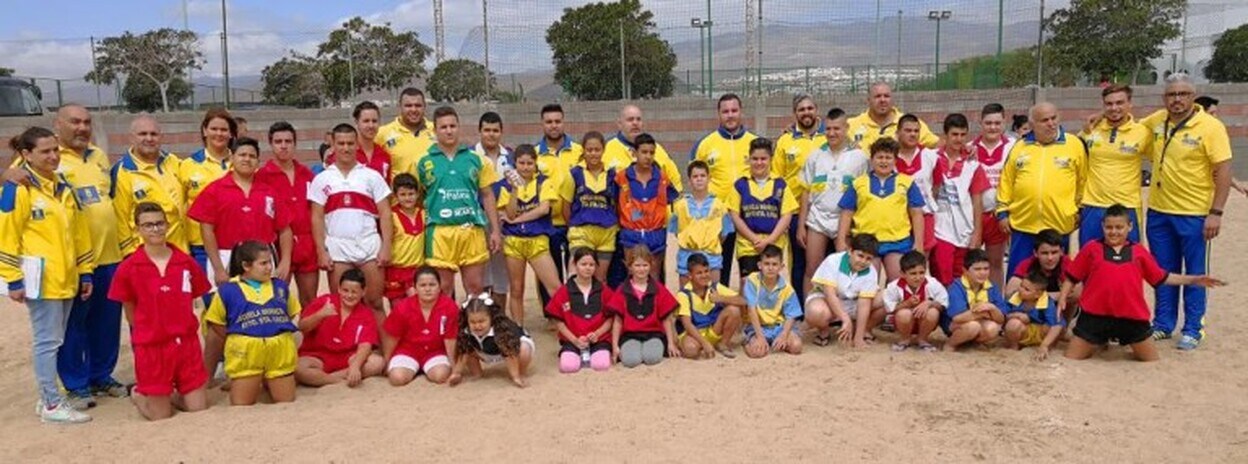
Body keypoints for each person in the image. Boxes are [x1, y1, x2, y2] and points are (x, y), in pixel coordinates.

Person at [2, 127, 96, 423]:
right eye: (45, 151)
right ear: (26, 155)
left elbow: (79, 234)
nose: (53, 156)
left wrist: (86, 272)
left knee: (55, 339)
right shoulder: (17, 189)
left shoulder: (62, 187)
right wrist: (12, 278)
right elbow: (6, 236)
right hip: (39, 281)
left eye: (55, 150)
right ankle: (52, 403)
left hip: (66, 278)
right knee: (47, 341)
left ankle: (49, 399)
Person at [1138, 74, 1233, 351]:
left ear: (1193, 96)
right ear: (1164, 98)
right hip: (1159, 212)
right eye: (1171, 94)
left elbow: (1224, 169)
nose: (1177, 99)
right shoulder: (1156, 121)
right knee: (1163, 272)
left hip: (1194, 214)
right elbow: (1128, 127)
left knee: (1195, 273)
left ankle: (1193, 328)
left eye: (1183, 94)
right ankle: (1164, 324)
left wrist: (1216, 212)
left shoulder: (1211, 127)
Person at [1062, 204, 1224, 361]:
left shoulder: (1139, 251)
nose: (1114, 232)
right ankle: (1099, 341)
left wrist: (1194, 279)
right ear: (1103, 226)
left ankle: (1113, 340)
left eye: (1119, 227)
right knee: (1072, 357)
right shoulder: (1091, 248)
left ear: (1129, 227)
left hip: (1132, 317)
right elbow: (1072, 276)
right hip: (1094, 316)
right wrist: (1062, 298)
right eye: (1109, 227)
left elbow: (1162, 277)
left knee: (1150, 359)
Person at [108, 202, 210, 420]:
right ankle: (138, 393)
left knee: (198, 407)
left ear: (167, 225)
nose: (155, 229)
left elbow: (195, 297)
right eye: (148, 225)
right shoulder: (128, 268)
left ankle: (173, 394)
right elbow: (130, 312)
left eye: (159, 223)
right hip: (152, 348)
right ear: (138, 229)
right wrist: (147, 335)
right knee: (160, 416)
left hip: (186, 345)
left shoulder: (185, 262)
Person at [413, 106, 503, 296]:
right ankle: (448, 326)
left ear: (459, 127)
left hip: (471, 229)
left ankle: (471, 326)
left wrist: (495, 230)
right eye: (443, 127)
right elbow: (417, 198)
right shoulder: (422, 162)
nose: (448, 130)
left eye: (453, 126)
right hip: (440, 231)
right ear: (435, 130)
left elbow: (487, 195)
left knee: (475, 287)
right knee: (443, 289)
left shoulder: (476, 159)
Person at [309, 124, 393, 315]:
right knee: (341, 304)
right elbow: (316, 217)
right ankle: (346, 345)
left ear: (357, 145)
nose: (346, 148)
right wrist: (321, 251)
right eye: (341, 143)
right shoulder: (322, 179)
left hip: (369, 245)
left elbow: (386, 213)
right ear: (333, 146)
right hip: (338, 247)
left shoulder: (372, 176)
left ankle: (380, 346)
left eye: (350, 143)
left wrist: (386, 245)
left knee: (375, 302)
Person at [204, 241, 301, 406]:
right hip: (246, 353)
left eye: (270, 262)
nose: (269, 267)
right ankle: (245, 380)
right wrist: (234, 338)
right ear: (246, 266)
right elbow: (216, 322)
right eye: (263, 263)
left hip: (279, 351)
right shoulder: (228, 290)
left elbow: (291, 313)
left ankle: (266, 380)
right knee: (242, 404)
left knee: (285, 401)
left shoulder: (280, 287)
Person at [188, 137, 294, 287]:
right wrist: (218, 268)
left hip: (263, 258)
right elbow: (206, 230)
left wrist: (285, 261)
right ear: (232, 157)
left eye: (252, 156)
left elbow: (285, 229)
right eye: (242, 155)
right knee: (228, 307)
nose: (247, 159)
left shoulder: (269, 192)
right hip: (226, 256)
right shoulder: (214, 190)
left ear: (258, 161)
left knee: (264, 307)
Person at [995, 102, 1086, 275]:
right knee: (1019, 280)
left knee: (1057, 281)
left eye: (1054, 118)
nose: (1051, 123)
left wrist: (1080, 210)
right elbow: (1006, 181)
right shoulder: (1019, 147)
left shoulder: (1074, 144)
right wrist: (1002, 212)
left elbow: (1084, 181)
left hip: (1059, 226)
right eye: (1044, 120)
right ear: (1031, 124)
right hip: (1024, 226)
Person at [797, 108, 869, 296]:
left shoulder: (860, 157)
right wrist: (801, 225)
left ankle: (841, 316)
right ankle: (810, 315)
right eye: (828, 129)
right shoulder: (815, 156)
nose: (831, 133)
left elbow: (863, 192)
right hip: (818, 219)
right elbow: (806, 191)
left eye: (836, 129)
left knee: (845, 270)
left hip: (844, 222)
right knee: (812, 269)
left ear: (846, 128)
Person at [691, 94, 758, 285]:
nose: (730, 115)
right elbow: (695, 179)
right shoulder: (704, 144)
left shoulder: (754, 142)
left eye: (734, 110)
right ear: (718, 114)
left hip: (749, 215)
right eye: (725, 111)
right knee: (719, 268)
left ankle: (752, 312)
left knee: (751, 271)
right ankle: (720, 311)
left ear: (741, 112)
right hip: (718, 217)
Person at [837, 137, 926, 281]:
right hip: (866, 243)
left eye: (888, 157)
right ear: (872, 160)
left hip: (898, 242)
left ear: (895, 160)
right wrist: (841, 241)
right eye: (879, 157)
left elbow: (916, 214)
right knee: (866, 284)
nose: (884, 161)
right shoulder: (858, 183)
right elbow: (846, 214)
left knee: (898, 284)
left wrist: (918, 243)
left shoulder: (907, 182)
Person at [493, 145, 562, 324]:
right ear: (514, 164)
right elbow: (509, 213)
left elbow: (543, 209)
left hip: (537, 240)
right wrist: (514, 189)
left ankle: (566, 325)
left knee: (555, 287)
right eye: (521, 163)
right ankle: (519, 329)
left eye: (529, 163)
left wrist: (517, 220)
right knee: (516, 289)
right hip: (514, 242)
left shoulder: (543, 182)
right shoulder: (505, 186)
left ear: (535, 163)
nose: (525, 167)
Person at [254, 122, 319, 307]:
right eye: (278, 141)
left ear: (295, 144)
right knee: (276, 301)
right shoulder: (262, 176)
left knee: (309, 300)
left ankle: (309, 336)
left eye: (288, 141)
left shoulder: (307, 174)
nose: (283, 146)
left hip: (307, 244)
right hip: (278, 245)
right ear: (270, 144)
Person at [1078, 84, 1151, 245]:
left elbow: (1161, 159)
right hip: (1093, 205)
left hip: (1127, 206)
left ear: (1129, 104)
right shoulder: (1091, 129)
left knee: (1127, 262)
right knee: (1090, 260)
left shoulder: (1143, 132)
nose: (1114, 108)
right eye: (1109, 104)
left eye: (1119, 103)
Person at [111, 116, 188, 256]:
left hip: (181, 252)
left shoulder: (173, 161)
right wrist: (130, 254)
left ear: (161, 137)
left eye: (154, 134)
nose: (149, 138)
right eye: (142, 134)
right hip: (147, 255)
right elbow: (119, 220)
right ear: (132, 138)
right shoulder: (123, 171)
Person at [295, 269, 385, 387]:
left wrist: (356, 366)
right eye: (345, 290)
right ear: (339, 289)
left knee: (377, 363)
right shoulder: (325, 301)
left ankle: (323, 379)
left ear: (363, 292)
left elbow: (365, 345)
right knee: (298, 367)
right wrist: (320, 315)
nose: (349, 295)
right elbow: (302, 327)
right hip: (318, 356)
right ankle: (337, 380)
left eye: (354, 292)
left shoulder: (366, 313)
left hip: (347, 358)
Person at [772, 95, 823, 300]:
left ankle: (827, 309)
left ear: (816, 110)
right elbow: (777, 178)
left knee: (826, 260)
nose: (806, 112)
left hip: (824, 209)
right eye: (801, 109)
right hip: (794, 212)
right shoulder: (785, 141)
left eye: (810, 108)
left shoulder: (828, 136)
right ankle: (800, 309)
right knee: (799, 261)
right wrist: (780, 212)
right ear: (795, 114)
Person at [728, 138, 797, 288]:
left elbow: (786, 215)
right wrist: (754, 239)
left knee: (770, 285)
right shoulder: (740, 184)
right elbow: (735, 215)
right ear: (749, 159)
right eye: (755, 159)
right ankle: (749, 312)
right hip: (748, 245)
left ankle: (770, 313)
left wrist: (769, 240)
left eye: (763, 159)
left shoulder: (780, 184)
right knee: (748, 285)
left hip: (774, 244)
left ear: (770, 159)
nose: (759, 163)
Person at [931, 113, 989, 285]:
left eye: (963, 135)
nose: (959, 139)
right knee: (942, 275)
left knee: (961, 278)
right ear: (945, 135)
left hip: (965, 230)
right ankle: (942, 311)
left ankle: (958, 310)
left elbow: (977, 201)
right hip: (940, 228)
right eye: (954, 134)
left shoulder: (973, 165)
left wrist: (977, 234)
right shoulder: (931, 158)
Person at [612, 134, 679, 282]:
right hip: (631, 233)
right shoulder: (621, 177)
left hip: (655, 233)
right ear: (634, 153)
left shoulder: (662, 178)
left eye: (651, 152)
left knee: (654, 279)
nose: (648, 156)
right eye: (644, 152)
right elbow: (614, 203)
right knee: (632, 278)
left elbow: (673, 199)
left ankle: (654, 305)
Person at [804, 234, 885, 349]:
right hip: (826, 300)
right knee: (816, 311)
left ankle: (862, 331)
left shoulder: (871, 271)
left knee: (887, 299)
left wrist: (858, 338)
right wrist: (845, 318)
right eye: (860, 256)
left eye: (868, 258)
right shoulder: (833, 260)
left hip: (852, 302)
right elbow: (829, 294)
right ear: (850, 250)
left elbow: (864, 304)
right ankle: (824, 331)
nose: (863, 262)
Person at [544, 247, 616, 374]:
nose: (588, 268)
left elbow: (611, 318)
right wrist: (574, 340)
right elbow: (558, 321)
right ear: (575, 265)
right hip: (572, 340)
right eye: (583, 264)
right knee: (568, 367)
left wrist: (597, 334)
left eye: (591, 265)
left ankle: (592, 354)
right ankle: (576, 354)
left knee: (602, 365)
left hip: (598, 339)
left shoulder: (604, 290)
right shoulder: (564, 291)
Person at [382, 267, 458, 386]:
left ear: (439, 287)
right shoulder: (403, 307)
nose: (427, 289)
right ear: (415, 287)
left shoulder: (450, 307)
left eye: (432, 285)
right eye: (422, 285)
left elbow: (450, 339)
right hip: (408, 351)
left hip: (436, 351)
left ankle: (423, 369)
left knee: (441, 376)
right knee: (397, 379)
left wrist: (454, 367)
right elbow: (392, 337)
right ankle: (413, 368)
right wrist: (387, 361)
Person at [607, 245, 680, 368]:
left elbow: (666, 319)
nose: (641, 269)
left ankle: (648, 348)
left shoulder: (658, 288)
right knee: (631, 361)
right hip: (630, 335)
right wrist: (615, 347)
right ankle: (635, 349)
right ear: (629, 267)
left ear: (651, 265)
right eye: (637, 265)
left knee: (652, 358)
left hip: (653, 334)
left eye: (645, 265)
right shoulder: (622, 290)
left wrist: (671, 344)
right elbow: (617, 321)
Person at [181, 108, 235, 271]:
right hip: (200, 247)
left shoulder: (243, 163)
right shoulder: (187, 165)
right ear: (205, 131)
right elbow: (180, 206)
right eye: (214, 129)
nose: (219, 134)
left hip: (236, 245)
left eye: (224, 130)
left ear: (231, 134)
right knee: (209, 296)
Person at [535, 103, 581, 293]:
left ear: (564, 122)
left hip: (574, 222)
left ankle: (578, 312)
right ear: (542, 124)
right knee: (549, 276)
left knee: (578, 271)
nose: (553, 125)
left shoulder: (579, 152)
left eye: (557, 121)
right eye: (549, 122)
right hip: (546, 224)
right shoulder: (534, 154)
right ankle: (552, 317)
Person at [562, 132, 616, 282]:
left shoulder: (612, 175)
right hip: (581, 233)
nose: (593, 153)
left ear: (603, 150)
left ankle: (597, 306)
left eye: (597, 150)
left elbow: (616, 204)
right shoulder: (574, 174)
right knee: (576, 278)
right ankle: (576, 306)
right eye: (589, 150)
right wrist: (573, 225)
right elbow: (566, 205)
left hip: (606, 234)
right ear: (583, 151)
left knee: (600, 280)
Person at [449, 294, 534, 389]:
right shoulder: (466, 331)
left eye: (481, 321)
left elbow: (509, 354)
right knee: (465, 346)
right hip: (485, 350)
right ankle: (477, 373)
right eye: (473, 322)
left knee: (524, 349)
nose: (477, 326)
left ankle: (519, 373)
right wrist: (456, 373)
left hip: (512, 348)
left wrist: (515, 377)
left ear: (491, 318)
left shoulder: (502, 330)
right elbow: (463, 353)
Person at [973, 103, 1017, 287]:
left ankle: (996, 303)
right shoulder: (969, 148)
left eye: (997, 123)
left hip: (998, 215)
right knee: (971, 264)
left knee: (995, 263)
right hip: (973, 216)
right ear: (980, 122)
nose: (992, 127)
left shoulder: (1014, 147)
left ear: (1004, 123)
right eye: (988, 123)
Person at [669, 160, 733, 286]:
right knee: (687, 296)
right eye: (695, 176)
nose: (699, 179)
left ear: (709, 178)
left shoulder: (719, 205)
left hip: (711, 258)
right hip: (687, 256)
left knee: (712, 297)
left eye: (703, 176)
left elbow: (724, 234)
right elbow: (677, 231)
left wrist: (710, 244)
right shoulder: (680, 205)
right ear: (689, 180)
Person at [474, 112, 514, 306]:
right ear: (480, 131)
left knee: (501, 274)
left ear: (501, 132)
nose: (491, 134)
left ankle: (498, 319)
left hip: (503, 221)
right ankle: (482, 317)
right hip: (478, 220)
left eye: (495, 131)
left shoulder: (511, 157)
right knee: (480, 271)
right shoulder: (470, 157)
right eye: (487, 130)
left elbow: (519, 187)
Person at [675, 253, 745, 359]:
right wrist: (704, 343)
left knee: (734, 310)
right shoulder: (684, 294)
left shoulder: (714, 287)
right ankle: (705, 345)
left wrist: (722, 298)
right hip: (694, 333)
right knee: (690, 350)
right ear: (690, 275)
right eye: (699, 273)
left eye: (706, 271)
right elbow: (688, 325)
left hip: (713, 330)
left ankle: (723, 343)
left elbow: (744, 301)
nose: (704, 275)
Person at [602, 104, 684, 192]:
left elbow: (675, 182)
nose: (635, 123)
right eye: (630, 119)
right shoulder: (605, 149)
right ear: (619, 124)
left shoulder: (657, 149)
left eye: (638, 119)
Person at [893, 113, 943, 257]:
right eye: (908, 131)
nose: (913, 134)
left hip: (924, 215)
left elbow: (936, 187)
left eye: (916, 131)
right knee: (899, 260)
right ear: (898, 133)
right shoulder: (889, 157)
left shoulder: (931, 156)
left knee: (921, 260)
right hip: (898, 217)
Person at [742, 245, 803, 358]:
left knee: (796, 346)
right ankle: (748, 341)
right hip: (759, 327)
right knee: (757, 353)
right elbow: (751, 310)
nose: (770, 268)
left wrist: (784, 335)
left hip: (779, 326)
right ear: (760, 265)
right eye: (767, 264)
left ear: (781, 266)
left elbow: (791, 315)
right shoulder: (752, 280)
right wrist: (760, 337)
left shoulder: (786, 288)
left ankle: (773, 342)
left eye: (774, 264)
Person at [882, 251, 948, 352]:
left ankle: (923, 339)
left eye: (921, 273)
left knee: (933, 312)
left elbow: (944, 304)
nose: (918, 277)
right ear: (903, 274)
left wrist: (929, 303)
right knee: (904, 313)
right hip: (903, 323)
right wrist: (906, 304)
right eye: (913, 273)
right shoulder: (894, 286)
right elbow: (889, 308)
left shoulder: (932, 283)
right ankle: (904, 339)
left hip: (926, 321)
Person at [942, 249, 1007, 352]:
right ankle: (951, 344)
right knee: (973, 326)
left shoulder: (991, 287)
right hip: (955, 325)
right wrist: (983, 314)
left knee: (994, 328)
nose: (983, 273)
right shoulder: (957, 287)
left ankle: (972, 343)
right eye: (977, 269)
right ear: (965, 270)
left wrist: (992, 308)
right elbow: (957, 318)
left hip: (976, 321)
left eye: (986, 269)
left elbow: (1001, 319)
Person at [1003, 229, 1077, 319]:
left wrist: (1039, 295)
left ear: (1062, 251)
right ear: (1035, 253)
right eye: (1045, 253)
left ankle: (1064, 328)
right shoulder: (1028, 264)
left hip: (1055, 307)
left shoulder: (1067, 263)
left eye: (1054, 252)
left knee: (1072, 300)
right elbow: (1009, 292)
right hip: (1031, 307)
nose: (1050, 258)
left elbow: (1077, 293)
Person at [847, 82, 939, 152]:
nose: (882, 100)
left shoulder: (910, 124)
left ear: (892, 100)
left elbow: (936, 145)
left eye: (886, 96)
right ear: (868, 100)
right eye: (877, 96)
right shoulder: (851, 125)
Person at [1001, 269, 1064, 360]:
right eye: (1021, 286)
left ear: (1037, 294)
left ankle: (1045, 346)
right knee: (1013, 324)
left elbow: (1057, 325)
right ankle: (1013, 347)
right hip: (1023, 331)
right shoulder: (1014, 297)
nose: (1021, 290)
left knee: (1055, 326)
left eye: (1026, 289)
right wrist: (1015, 315)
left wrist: (1044, 345)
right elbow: (1003, 315)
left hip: (1040, 332)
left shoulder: (1047, 302)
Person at [386, 173, 425, 308]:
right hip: (395, 270)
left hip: (417, 270)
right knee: (398, 310)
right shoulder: (391, 216)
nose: (407, 198)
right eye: (403, 194)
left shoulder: (424, 214)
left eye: (411, 194)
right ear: (395, 196)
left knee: (417, 307)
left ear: (417, 194)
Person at [326, 101, 392, 181]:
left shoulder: (384, 156)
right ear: (356, 123)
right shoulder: (342, 154)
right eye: (366, 121)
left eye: (374, 121)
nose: (371, 125)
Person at [377, 87, 434, 176]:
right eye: (408, 106)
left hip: (431, 189)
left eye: (418, 105)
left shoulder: (436, 130)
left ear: (424, 107)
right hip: (399, 189)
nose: (413, 110)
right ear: (399, 107)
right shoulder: (383, 133)